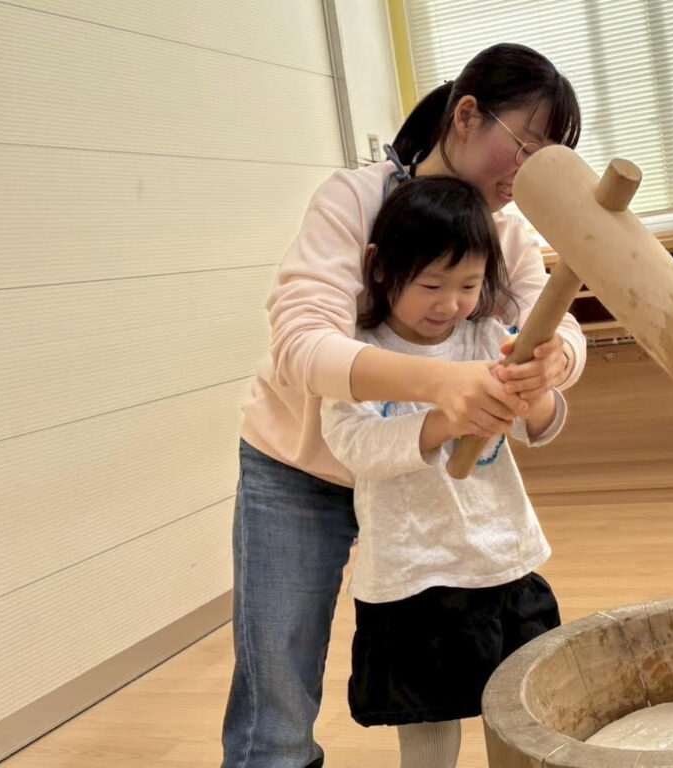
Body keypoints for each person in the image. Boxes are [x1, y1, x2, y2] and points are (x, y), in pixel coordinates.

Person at [222, 43, 584, 768]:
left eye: (547, 159)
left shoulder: (506, 230)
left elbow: (556, 329)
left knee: (468, 686)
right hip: (301, 467)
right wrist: (441, 390)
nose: (526, 174)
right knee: (278, 705)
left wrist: (553, 364)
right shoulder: (354, 201)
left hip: (424, 490)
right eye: (523, 147)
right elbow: (301, 345)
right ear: (466, 116)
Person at [320, 175, 565, 768]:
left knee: (526, 714)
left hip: (501, 559)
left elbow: (542, 426)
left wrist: (536, 393)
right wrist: (442, 421)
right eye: (431, 284)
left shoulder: (487, 338)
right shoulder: (358, 354)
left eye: (469, 285)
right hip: (413, 576)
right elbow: (353, 446)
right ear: (381, 268)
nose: (450, 304)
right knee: (429, 726)